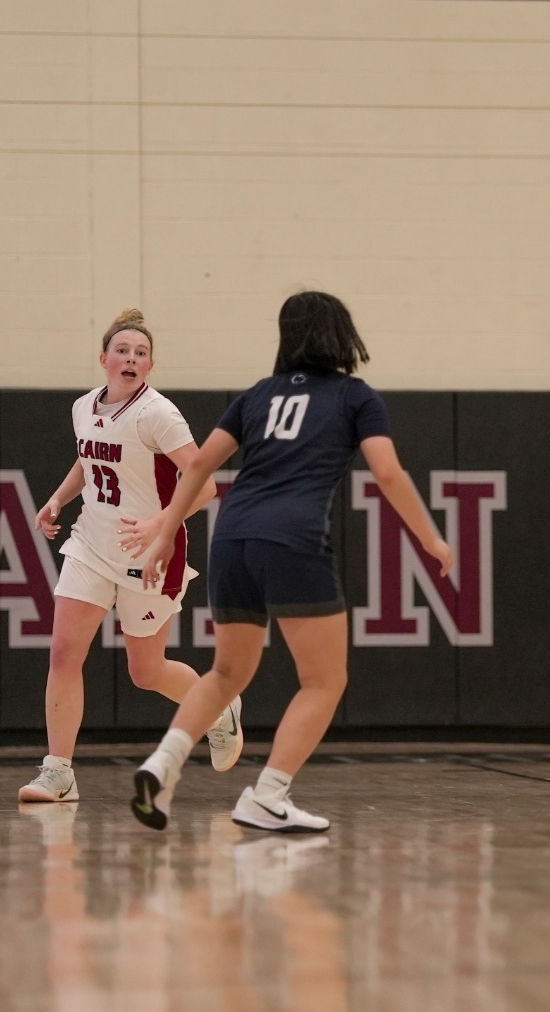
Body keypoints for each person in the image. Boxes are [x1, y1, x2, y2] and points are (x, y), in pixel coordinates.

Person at [122, 292, 452, 833]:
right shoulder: (355, 396)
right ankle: (267, 794)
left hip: (231, 537)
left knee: (227, 672)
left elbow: (201, 463)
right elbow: (388, 474)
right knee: (323, 681)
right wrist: (431, 540)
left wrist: (164, 533)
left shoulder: (256, 396)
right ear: (343, 334)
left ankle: (161, 768)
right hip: (293, 538)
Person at [18, 309, 242, 804]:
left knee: (147, 672)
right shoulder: (84, 407)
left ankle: (219, 707)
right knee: (63, 653)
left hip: (153, 552)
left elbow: (205, 484)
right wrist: (58, 498)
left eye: (141, 353)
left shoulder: (158, 413)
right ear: (104, 359)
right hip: (91, 546)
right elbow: (89, 457)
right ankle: (59, 772)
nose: (131, 358)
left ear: (149, 366)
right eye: (123, 350)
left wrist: (163, 523)